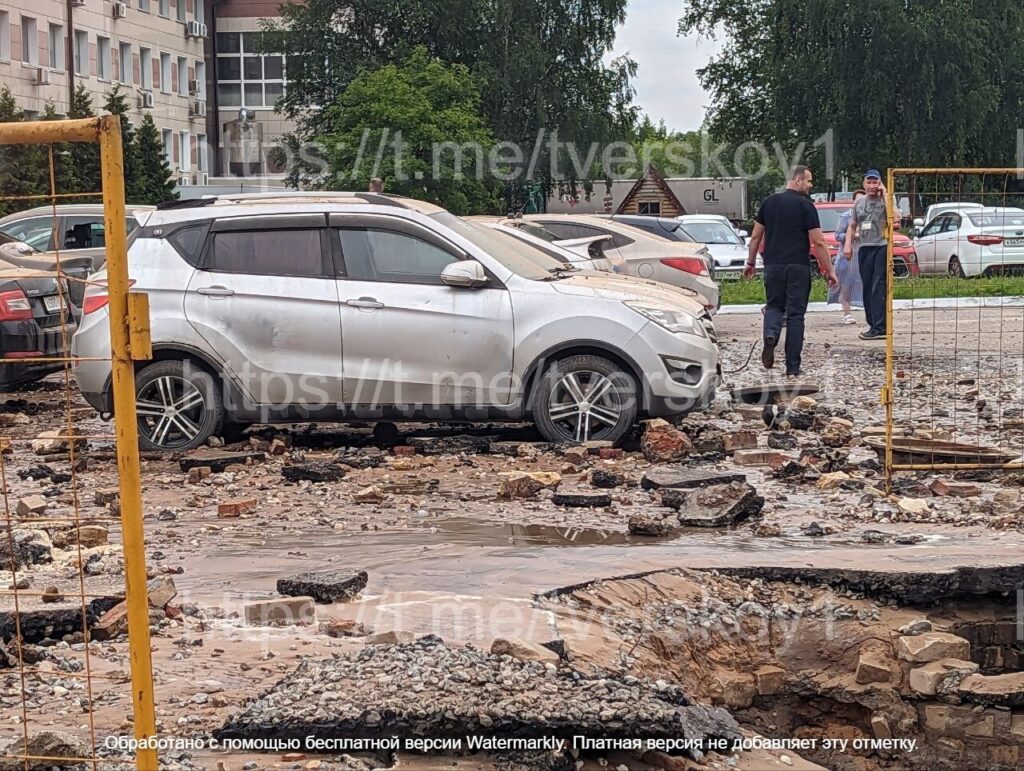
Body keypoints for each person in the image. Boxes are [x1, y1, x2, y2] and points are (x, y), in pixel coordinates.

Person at [744, 166, 838, 378]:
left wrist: (750, 263)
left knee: (774, 306)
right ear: (797, 181)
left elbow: (756, 237)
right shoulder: (806, 206)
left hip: (773, 266)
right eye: (808, 181)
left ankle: (770, 335)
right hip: (798, 267)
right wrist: (829, 270)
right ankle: (793, 368)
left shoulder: (769, 203)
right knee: (796, 315)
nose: (811, 185)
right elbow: (819, 242)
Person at [845, 170, 893, 340]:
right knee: (867, 286)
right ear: (864, 184)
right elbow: (852, 225)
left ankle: (881, 327)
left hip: (881, 246)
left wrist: (885, 193)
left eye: (875, 182)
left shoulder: (886, 199)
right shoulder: (859, 202)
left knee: (878, 285)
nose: (872, 186)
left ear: (880, 183)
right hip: (865, 247)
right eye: (869, 182)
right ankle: (873, 324)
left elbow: (895, 218)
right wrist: (848, 246)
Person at [829, 189, 866, 324]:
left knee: (861, 282)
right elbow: (838, 235)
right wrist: (852, 236)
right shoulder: (846, 216)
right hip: (847, 256)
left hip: (862, 254)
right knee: (846, 284)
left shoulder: (869, 216)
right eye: (858, 200)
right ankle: (847, 312)